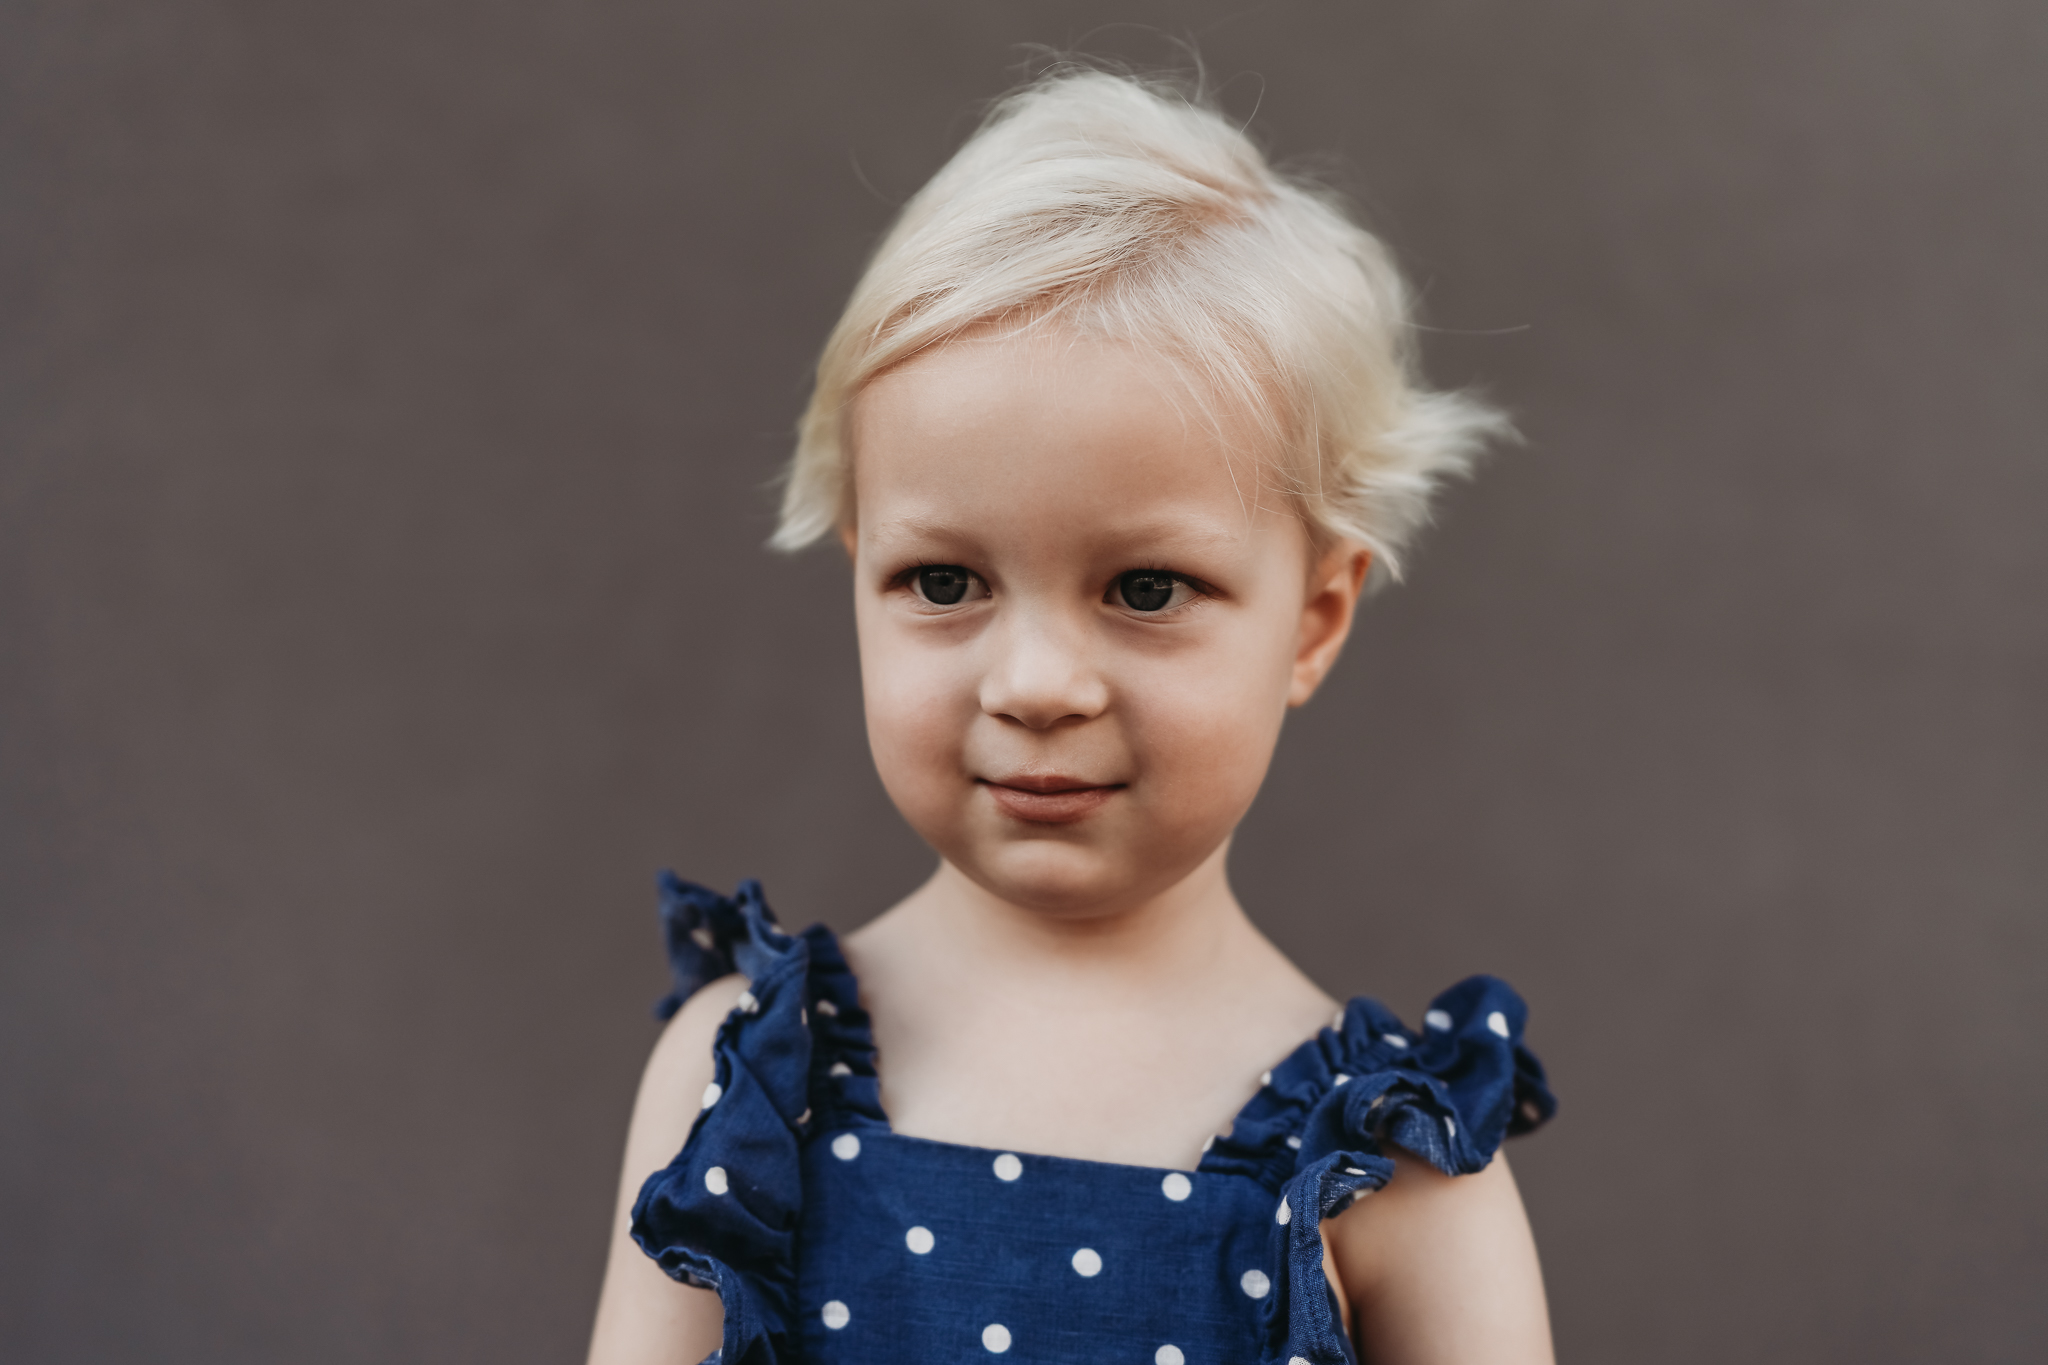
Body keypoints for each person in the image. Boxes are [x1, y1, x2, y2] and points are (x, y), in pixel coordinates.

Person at [587, 63, 1556, 1365]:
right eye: (945, 581)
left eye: (1146, 588)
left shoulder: (1391, 1166)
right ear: (860, 570)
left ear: (1315, 620)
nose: (1037, 682)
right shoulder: (747, 1084)